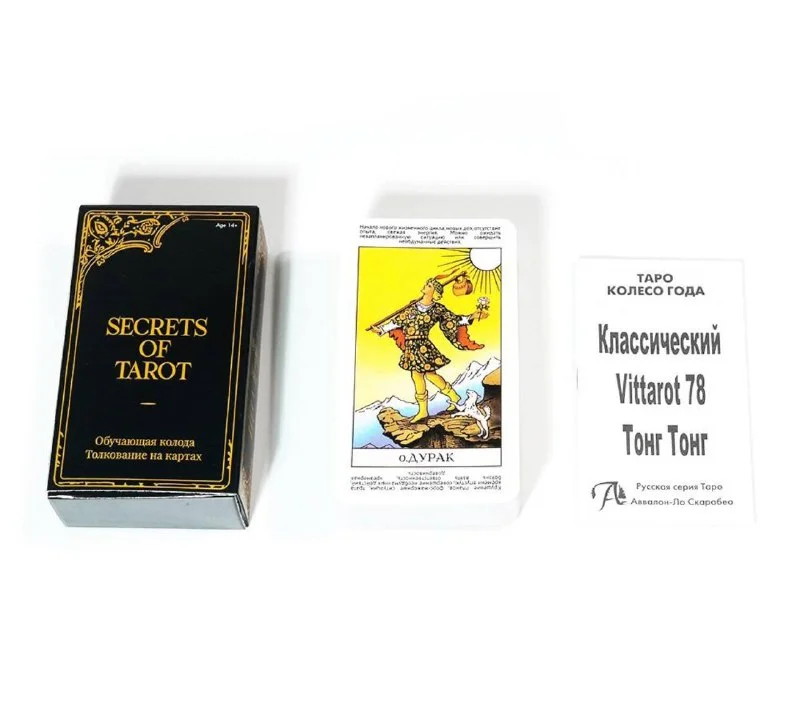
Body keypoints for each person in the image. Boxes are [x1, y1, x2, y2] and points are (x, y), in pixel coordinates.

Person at [370, 277, 489, 422]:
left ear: (435, 293)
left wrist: (472, 316)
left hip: (423, 346)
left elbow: (453, 320)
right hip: (411, 346)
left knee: (424, 375)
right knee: (424, 375)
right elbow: (397, 321)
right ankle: (452, 398)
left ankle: (426, 410)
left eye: (430, 285)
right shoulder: (412, 306)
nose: (426, 285)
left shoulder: (437, 309)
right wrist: (381, 329)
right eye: (427, 283)